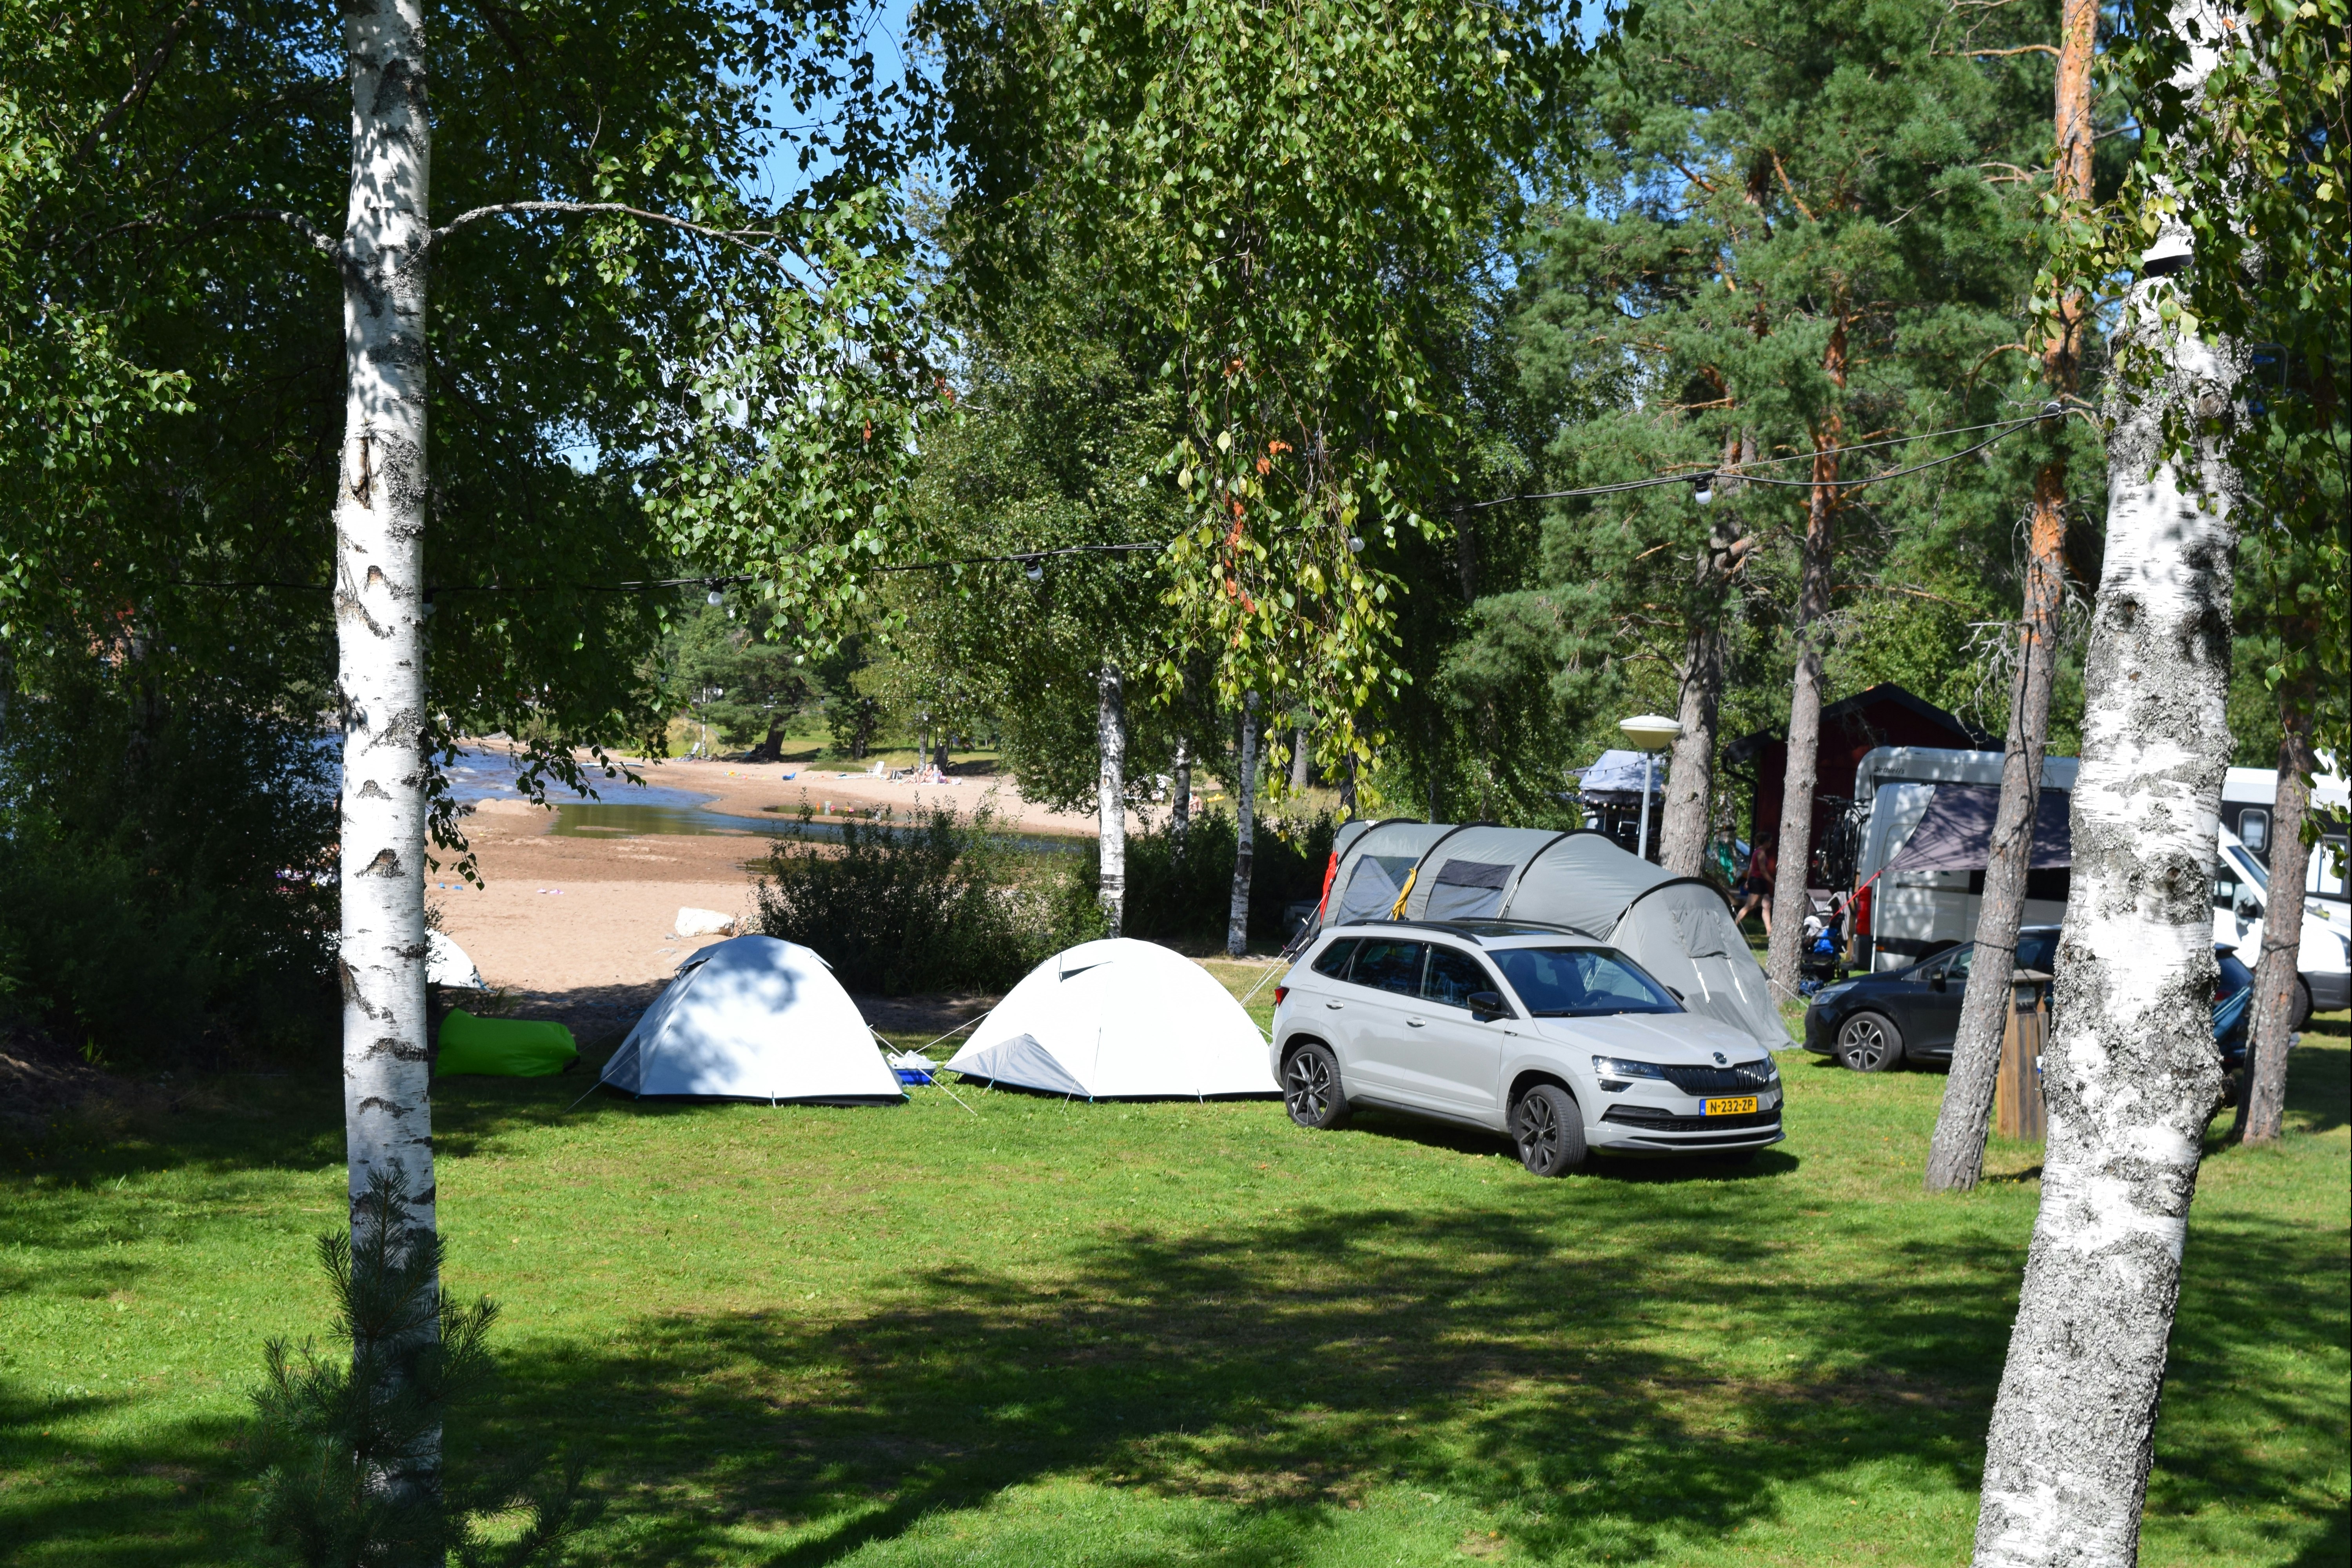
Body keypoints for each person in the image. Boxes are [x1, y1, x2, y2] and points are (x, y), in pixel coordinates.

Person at [1734, 838, 1775, 937]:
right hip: (1757, 881)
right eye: (1769, 842)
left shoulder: (1757, 852)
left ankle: (1769, 931)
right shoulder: (1760, 854)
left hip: (1759, 881)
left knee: (1767, 905)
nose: (1771, 844)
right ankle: (1734, 924)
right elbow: (1763, 871)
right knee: (1750, 906)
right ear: (1765, 842)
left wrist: (1748, 881)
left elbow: (1751, 868)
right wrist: (1773, 883)